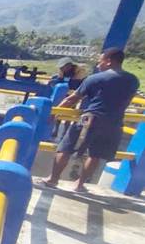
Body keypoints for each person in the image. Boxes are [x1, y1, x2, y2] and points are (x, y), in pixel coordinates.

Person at [43, 47, 140, 192]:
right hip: (114, 122)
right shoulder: (133, 80)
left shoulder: (96, 78)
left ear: (108, 61)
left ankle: (53, 179)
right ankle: (79, 184)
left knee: (66, 146)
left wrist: (54, 113)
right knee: (95, 154)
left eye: (100, 61)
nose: (98, 65)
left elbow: (72, 99)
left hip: (89, 118)